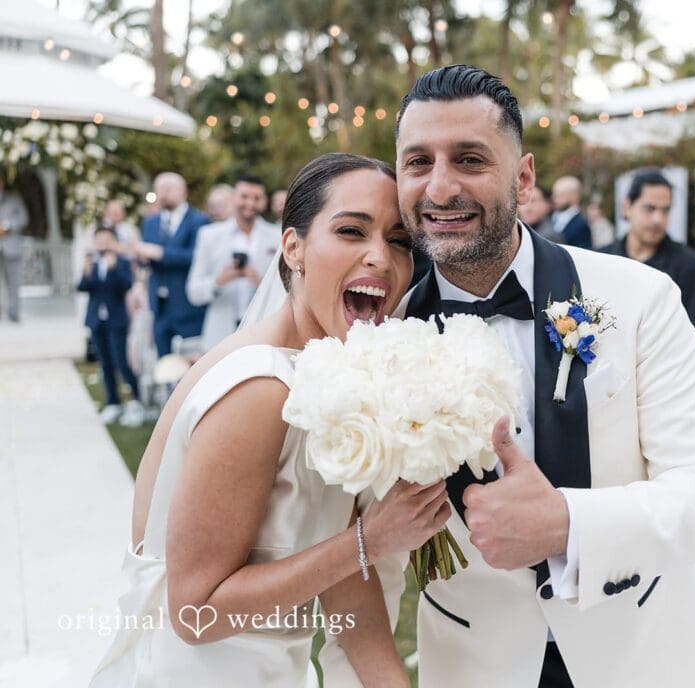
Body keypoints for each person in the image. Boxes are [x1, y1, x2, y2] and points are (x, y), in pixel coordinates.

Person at [395, 65, 695, 688]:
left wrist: (566, 523)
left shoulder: (640, 296)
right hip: (475, 666)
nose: (440, 187)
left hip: (644, 653)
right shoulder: (382, 337)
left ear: (523, 177)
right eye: (418, 162)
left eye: (470, 159)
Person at [91, 154, 446, 687]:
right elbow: (195, 613)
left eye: (399, 241)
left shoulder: (325, 378)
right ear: (293, 247)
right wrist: (369, 540)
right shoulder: (260, 387)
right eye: (351, 231)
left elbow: (348, 587)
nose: (380, 256)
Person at [601, 170, 695, 353]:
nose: (658, 219)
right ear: (627, 207)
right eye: (649, 208)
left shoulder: (688, 264)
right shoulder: (603, 260)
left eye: (665, 210)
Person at [187, 175, 280, 352]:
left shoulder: (277, 236)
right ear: (233, 197)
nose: (250, 203)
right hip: (220, 334)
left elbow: (287, 291)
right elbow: (193, 291)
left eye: (257, 198)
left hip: (263, 334)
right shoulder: (209, 235)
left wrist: (261, 282)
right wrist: (219, 281)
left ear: (264, 201)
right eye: (244, 196)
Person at [136, 172, 211, 357]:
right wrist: (142, 257)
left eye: (168, 189)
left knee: (192, 362)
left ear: (183, 192)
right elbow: (145, 256)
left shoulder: (199, 221)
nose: (163, 194)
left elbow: (197, 257)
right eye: (159, 189)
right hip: (159, 307)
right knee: (164, 363)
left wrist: (160, 253)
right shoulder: (150, 222)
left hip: (188, 306)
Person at [77, 227, 145, 427]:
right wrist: (86, 271)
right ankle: (113, 402)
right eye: (98, 239)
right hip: (97, 320)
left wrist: (114, 268)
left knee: (121, 361)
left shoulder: (121, 262)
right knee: (104, 363)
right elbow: (82, 287)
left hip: (117, 319)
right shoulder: (92, 262)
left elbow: (127, 285)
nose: (102, 243)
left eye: (106, 239)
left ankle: (136, 400)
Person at [0, 176, 29, 323]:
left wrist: (7, 226)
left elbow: (23, 218)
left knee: (13, 283)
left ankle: (14, 313)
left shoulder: (14, 199)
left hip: (11, 247)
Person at [550, 176, 592, 249]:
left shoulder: (581, 225)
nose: (554, 198)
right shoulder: (551, 217)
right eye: (554, 194)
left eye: (560, 195)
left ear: (574, 196)